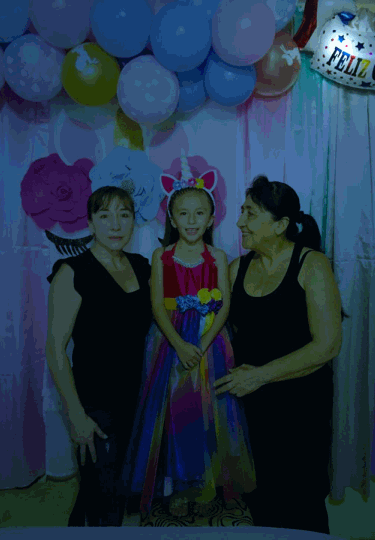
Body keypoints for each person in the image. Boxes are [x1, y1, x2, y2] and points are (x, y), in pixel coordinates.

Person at [121, 162, 256, 519]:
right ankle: (179, 486)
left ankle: (207, 484)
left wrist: (206, 342)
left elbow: (225, 305)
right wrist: (180, 345)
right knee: (177, 414)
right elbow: (157, 306)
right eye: (183, 213)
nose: (191, 220)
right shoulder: (161, 256)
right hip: (171, 343)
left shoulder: (218, 257)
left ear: (211, 219)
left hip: (212, 344)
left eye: (199, 213)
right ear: (172, 219)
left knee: (212, 414)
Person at [214, 175, 347, 534]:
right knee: (261, 503)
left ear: (280, 224)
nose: (239, 222)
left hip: (302, 411)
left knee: (303, 506)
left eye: (251, 213)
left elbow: (327, 345)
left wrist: (259, 375)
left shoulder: (312, 264)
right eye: (241, 211)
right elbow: (216, 334)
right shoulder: (236, 269)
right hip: (251, 412)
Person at [45, 186, 153, 527]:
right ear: (91, 223)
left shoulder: (142, 266)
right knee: (104, 497)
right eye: (105, 216)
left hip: (136, 398)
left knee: (110, 490)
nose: (115, 225)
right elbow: (55, 349)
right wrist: (76, 415)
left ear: (134, 221)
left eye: (124, 215)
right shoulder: (72, 272)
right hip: (94, 405)